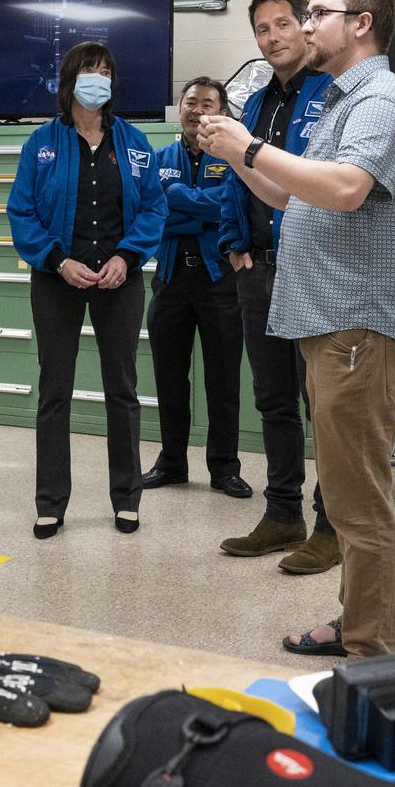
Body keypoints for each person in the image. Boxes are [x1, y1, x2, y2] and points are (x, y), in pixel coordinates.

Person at [199, 0, 395, 658]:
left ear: (361, 23)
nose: (303, 27)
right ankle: (355, 620)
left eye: (318, 14)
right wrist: (236, 151)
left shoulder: (383, 99)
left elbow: (345, 188)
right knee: (345, 487)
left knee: (359, 506)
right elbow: (288, 196)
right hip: (332, 325)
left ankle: (369, 654)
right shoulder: (341, 102)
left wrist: (246, 145)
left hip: (358, 325)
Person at [8, 41, 166, 539]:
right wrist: (57, 260)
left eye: (105, 72)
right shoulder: (43, 144)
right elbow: (22, 212)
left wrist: (128, 256)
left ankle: (127, 497)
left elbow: (153, 209)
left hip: (118, 280)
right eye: (89, 71)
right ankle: (50, 502)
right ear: (70, 81)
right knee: (54, 391)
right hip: (59, 280)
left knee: (122, 390)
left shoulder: (134, 142)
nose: (98, 79)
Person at [214, 0, 340, 575]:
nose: (273, 38)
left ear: (306, 27)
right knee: (273, 401)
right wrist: (234, 246)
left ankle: (331, 524)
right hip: (258, 271)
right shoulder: (257, 103)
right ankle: (283, 512)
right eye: (262, 29)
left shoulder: (335, 94)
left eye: (284, 24)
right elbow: (238, 179)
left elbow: (319, 183)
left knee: (325, 405)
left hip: (313, 272)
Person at [141, 77, 251, 500]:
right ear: (180, 107)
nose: (197, 109)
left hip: (219, 281)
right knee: (169, 378)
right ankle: (171, 463)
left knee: (223, 380)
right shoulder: (157, 158)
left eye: (208, 103)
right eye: (191, 102)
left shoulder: (234, 157)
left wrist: (178, 197)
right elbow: (154, 217)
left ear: (220, 111)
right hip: (170, 280)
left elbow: (230, 206)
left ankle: (225, 468)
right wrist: (197, 208)